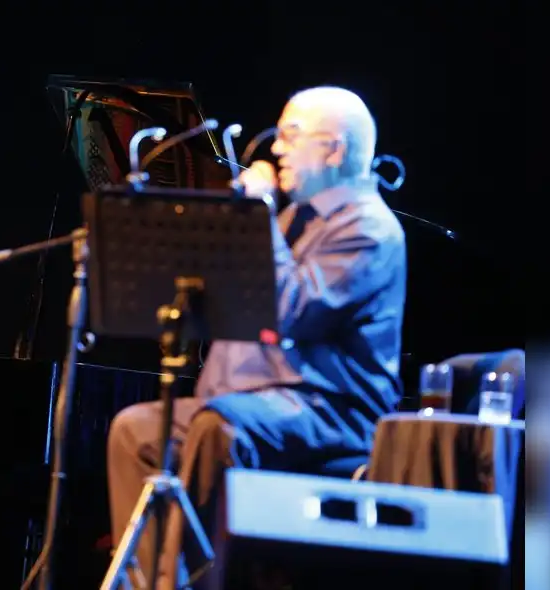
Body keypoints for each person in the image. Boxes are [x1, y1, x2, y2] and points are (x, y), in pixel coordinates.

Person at [105, 86, 407, 588]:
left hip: (329, 409)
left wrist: (258, 214)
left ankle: (200, 580)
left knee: (219, 429)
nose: (278, 149)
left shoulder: (370, 229)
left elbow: (292, 312)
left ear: (333, 150)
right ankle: (151, 582)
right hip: (261, 403)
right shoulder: (295, 217)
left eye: (291, 135)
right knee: (134, 429)